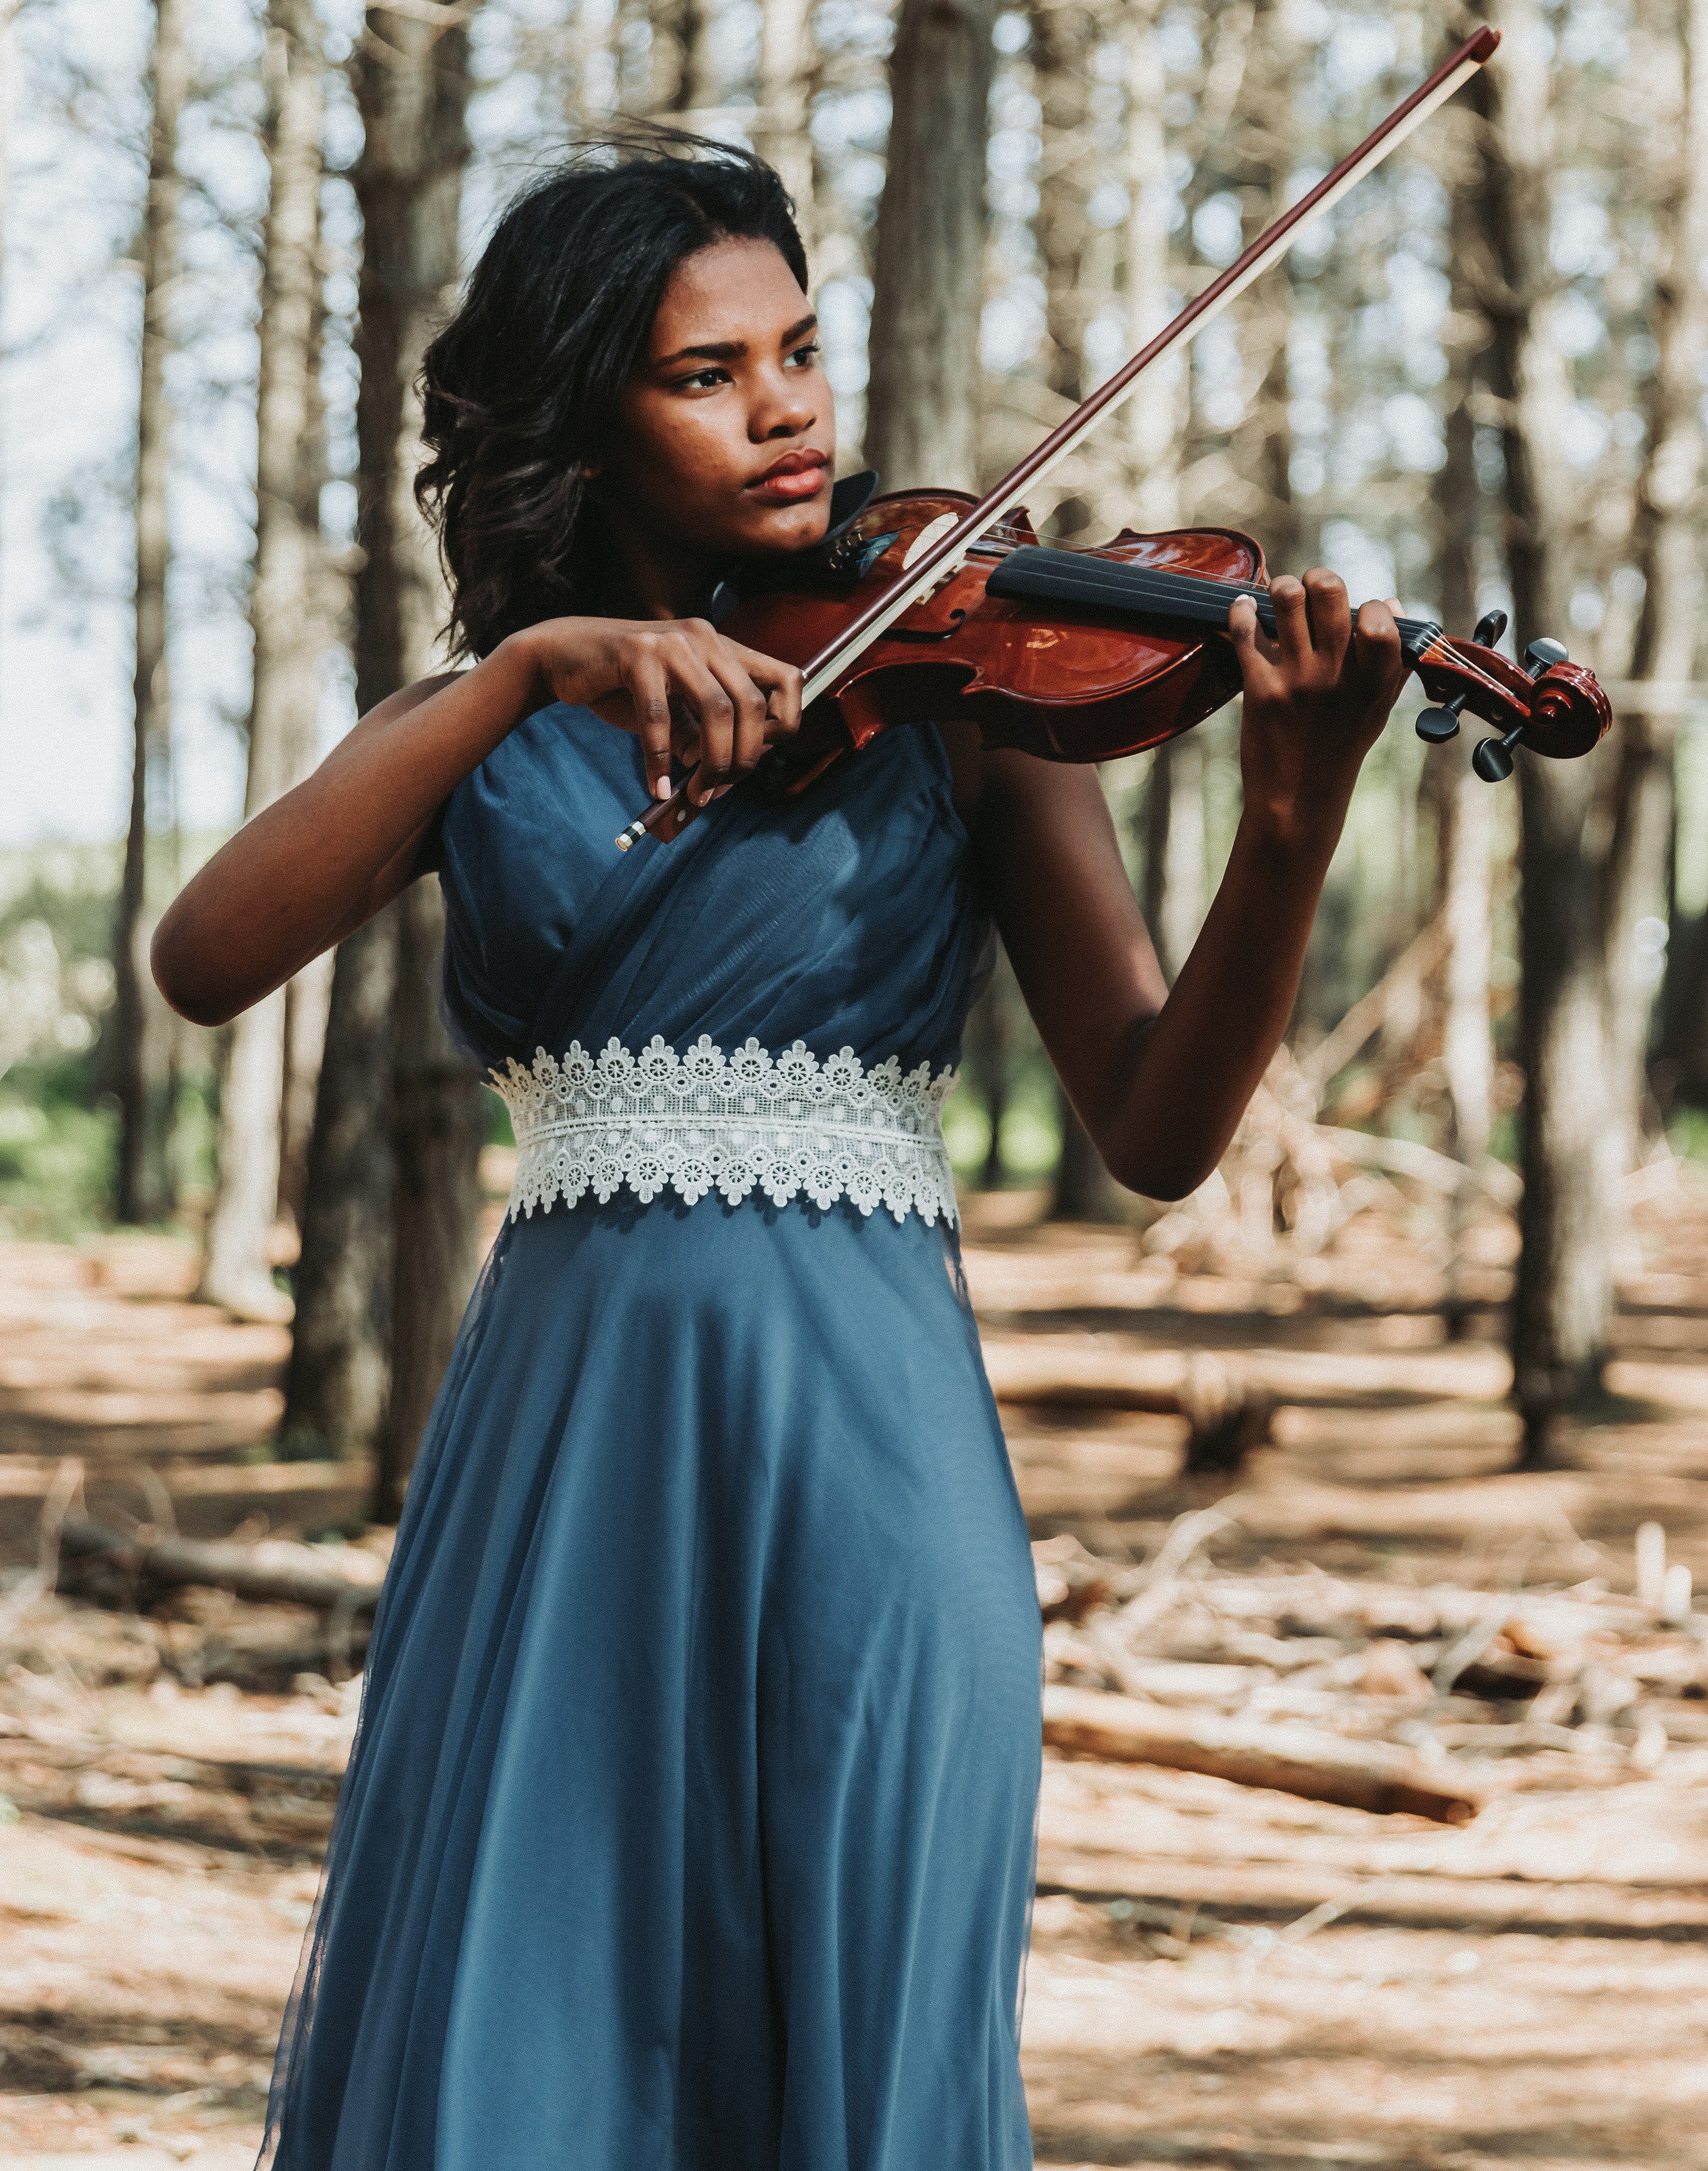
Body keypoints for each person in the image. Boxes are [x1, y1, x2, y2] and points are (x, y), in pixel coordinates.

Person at [154, 140, 1405, 2171]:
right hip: (567, 1476)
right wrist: (525, 673)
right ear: (584, 413)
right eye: (707, 373)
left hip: (877, 1458)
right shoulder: (483, 726)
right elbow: (206, 957)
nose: (790, 406)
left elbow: (1161, 1123)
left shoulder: (968, 697)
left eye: (803, 352)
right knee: (539, 2032)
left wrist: (1289, 817)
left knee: (870, 2025)